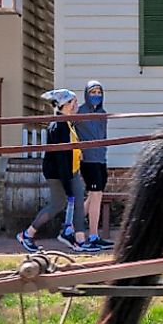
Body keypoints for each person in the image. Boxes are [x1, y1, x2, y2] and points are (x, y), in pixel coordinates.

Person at [17, 88, 83, 252]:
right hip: (58, 173)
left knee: (67, 202)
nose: (76, 106)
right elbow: (61, 156)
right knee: (58, 204)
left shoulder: (67, 123)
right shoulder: (59, 126)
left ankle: (70, 233)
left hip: (68, 171)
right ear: (64, 105)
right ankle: (28, 234)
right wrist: (67, 183)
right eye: (73, 103)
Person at [74, 80, 112, 249]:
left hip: (101, 159)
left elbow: (103, 136)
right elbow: (70, 131)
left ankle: (74, 227)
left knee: (95, 196)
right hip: (87, 160)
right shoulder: (80, 112)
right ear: (86, 94)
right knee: (95, 195)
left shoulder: (103, 114)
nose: (96, 95)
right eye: (93, 92)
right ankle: (93, 235)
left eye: (99, 92)